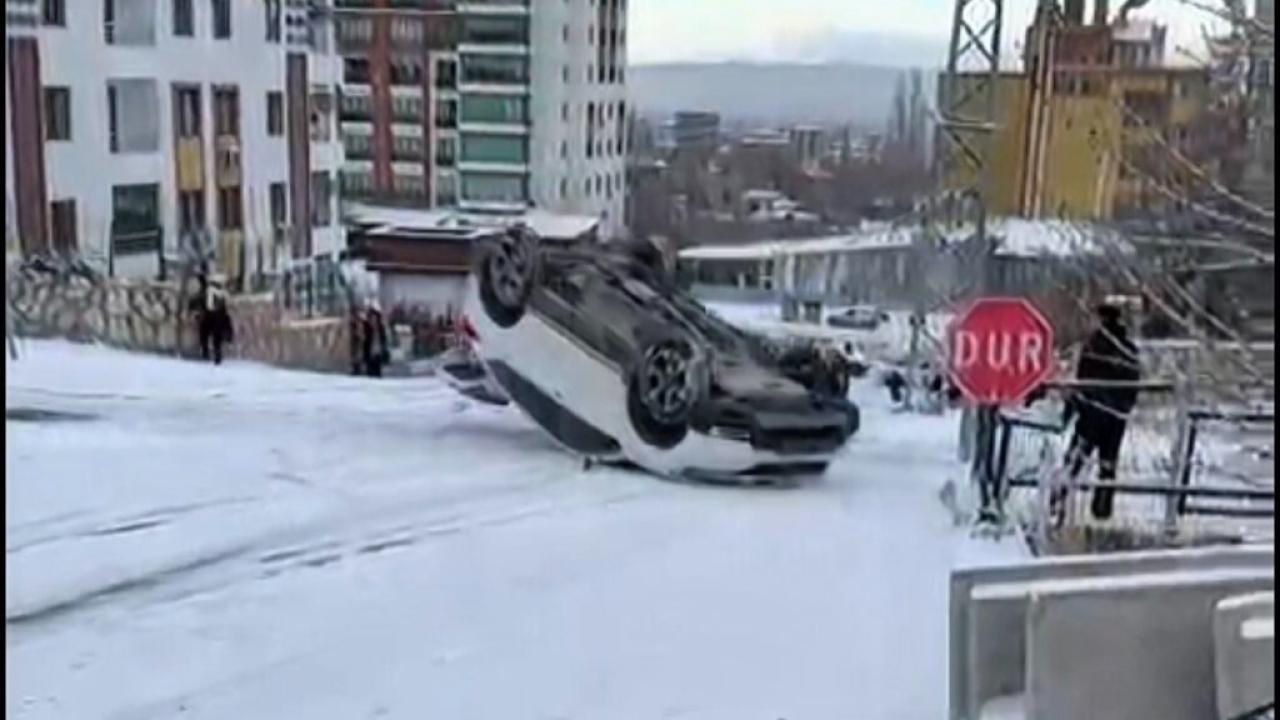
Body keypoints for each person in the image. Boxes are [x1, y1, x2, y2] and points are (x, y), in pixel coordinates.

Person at [1064, 303, 1141, 520]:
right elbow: (1133, 382)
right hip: (1115, 415)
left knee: (1075, 458)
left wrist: (1076, 406)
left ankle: (1057, 500)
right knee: (1108, 463)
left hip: (1092, 412)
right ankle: (1102, 508)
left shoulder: (1092, 347)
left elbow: (1082, 379)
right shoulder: (1128, 349)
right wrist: (1124, 407)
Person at [362, 303, 389, 378]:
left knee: (378, 372)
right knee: (370, 373)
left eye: (375, 318)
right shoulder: (366, 328)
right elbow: (364, 342)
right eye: (372, 318)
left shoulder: (381, 328)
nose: (373, 320)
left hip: (378, 352)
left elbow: (384, 340)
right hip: (369, 352)